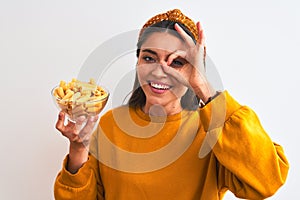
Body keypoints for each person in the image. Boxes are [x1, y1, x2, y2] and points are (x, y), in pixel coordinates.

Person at [54, 9, 289, 200]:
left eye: (177, 62)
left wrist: (204, 88)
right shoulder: (110, 125)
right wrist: (78, 148)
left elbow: (267, 182)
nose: (159, 71)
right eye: (149, 57)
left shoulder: (215, 130)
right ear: (137, 61)